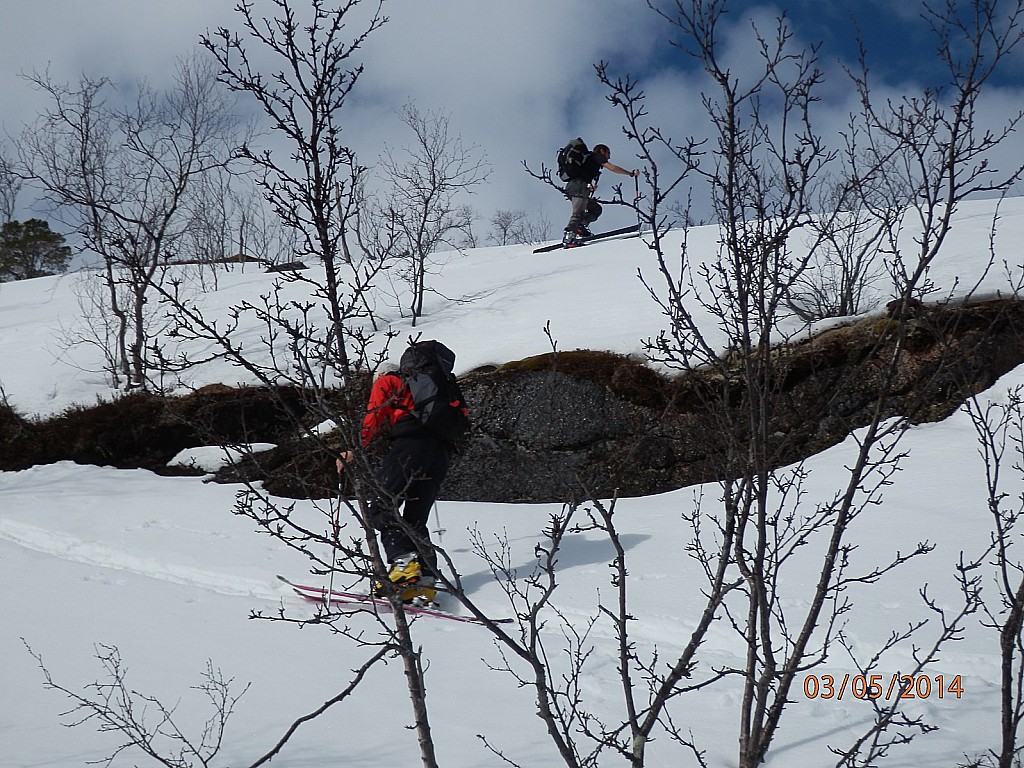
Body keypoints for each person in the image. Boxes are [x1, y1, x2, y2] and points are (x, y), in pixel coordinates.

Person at [338, 341, 468, 605]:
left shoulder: (388, 381)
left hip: (411, 446)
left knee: (382, 506)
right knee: (415, 519)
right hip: (441, 453)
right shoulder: (439, 388)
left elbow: (373, 416)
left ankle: (404, 564)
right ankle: (426, 579)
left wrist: (354, 448)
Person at [562, 143, 639, 248]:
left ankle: (580, 226)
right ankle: (569, 238)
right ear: (602, 151)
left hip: (576, 186)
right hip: (578, 186)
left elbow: (584, 173)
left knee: (596, 209)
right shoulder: (595, 156)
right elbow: (612, 167)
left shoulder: (589, 159)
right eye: (608, 153)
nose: (609, 156)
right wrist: (630, 173)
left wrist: (590, 187)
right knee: (578, 212)